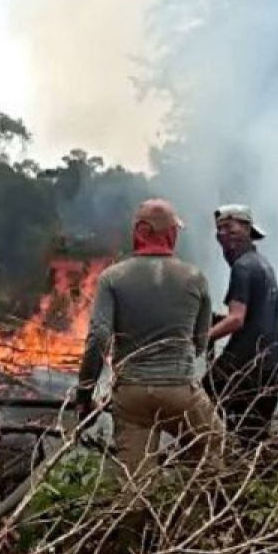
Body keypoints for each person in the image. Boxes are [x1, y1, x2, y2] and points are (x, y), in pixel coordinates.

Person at [77, 198, 222, 476]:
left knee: (136, 483)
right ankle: (193, 510)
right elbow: (200, 343)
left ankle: (139, 514)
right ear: (169, 234)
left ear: (138, 232)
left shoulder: (112, 278)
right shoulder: (195, 278)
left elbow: (98, 338)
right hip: (180, 390)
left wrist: (85, 394)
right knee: (211, 450)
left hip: (131, 396)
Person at [205, 204, 278, 445]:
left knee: (201, 403)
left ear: (248, 229)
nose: (223, 233)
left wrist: (203, 337)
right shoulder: (261, 263)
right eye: (219, 229)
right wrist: (217, 321)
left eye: (230, 227)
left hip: (245, 363)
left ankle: (204, 464)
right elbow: (252, 314)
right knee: (253, 438)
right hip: (270, 364)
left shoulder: (243, 267)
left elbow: (237, 319)